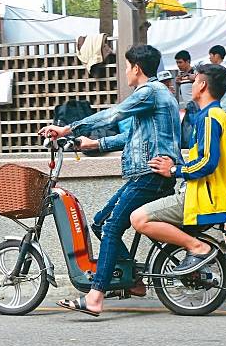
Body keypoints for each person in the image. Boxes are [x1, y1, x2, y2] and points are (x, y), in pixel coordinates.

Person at [38, 44, 182, 317]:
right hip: (143, 175)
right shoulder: (155, 95)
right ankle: (135, 282)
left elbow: (112, 114)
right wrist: (94, 144)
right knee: (101, 223)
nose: (125, 72)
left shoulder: (149, 92)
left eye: (127, 67)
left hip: (149, 176)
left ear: (136, 68)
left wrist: (67, 128)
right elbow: (134, 137)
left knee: (113, 226)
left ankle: (95, 296)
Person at [131, 63, 226, 273]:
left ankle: (197, 247)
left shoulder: (208, 118)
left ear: (203, 86)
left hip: (202, 199)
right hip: (216, 196)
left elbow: (207, 162)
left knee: (138, 218)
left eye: (195, 80)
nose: (191, 85)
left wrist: (173, 170)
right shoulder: (221, 116)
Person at [208, 45, 226, 113]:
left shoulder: (224, 70)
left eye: (211, 55)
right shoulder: (220, 69)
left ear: (217, 56)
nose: (209, 58)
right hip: (224, 105)